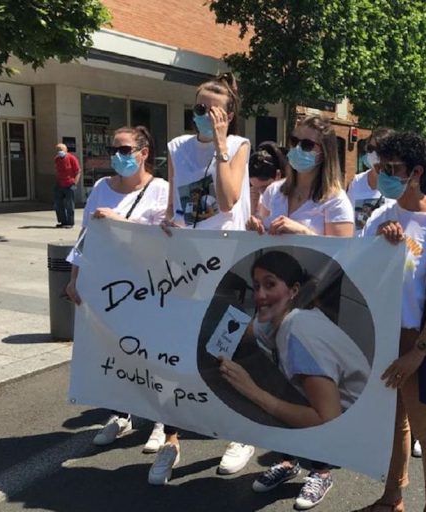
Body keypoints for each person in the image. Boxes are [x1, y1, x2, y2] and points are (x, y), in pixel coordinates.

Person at [356, 131, 426, 512]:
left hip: (419, 338)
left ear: (416, 172)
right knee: (393, 424)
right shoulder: (380, 216)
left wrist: (416, 353)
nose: (384, 175)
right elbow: (358, 272)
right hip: (383, 334)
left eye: (393, 169)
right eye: (380, 167)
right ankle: (392, 497)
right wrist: (378, 246)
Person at [246, 114, 354, 510]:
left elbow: (346, 255)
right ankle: (287, 457)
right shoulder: (275, 191)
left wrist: (304, 232)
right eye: (294, 141)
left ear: (324, 153)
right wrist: (254, 228)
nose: (297, 149)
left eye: (307, 144)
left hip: (317, 306)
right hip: (276, 306)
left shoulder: (335, 200)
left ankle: (321, 469)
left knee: (314, 387)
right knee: (279, 381)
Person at [158, 72, 254, 486]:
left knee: (224, 351)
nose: (202, 116)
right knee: (177, 350)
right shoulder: (177, 146)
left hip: (229, 263)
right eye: (198, 109)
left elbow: (230, 197)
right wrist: (167, 219)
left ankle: (239, 434)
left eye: (211, 111)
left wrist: (218, 144)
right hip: (186, 262)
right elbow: (174, 198)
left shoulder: (237, 145)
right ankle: (171, 436)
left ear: (228, 116)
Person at [64, 126, 169, 452]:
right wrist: (74, 276)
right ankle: (120, 411)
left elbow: (166, 239)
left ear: (143, 153)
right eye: (115, 150)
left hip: (148, 286)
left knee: (153, 353)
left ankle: (161, 420)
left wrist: (121, 222)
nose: (118, 156)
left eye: (125, 150)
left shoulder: (161, 190)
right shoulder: (100, 187)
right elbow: (86, 235)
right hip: (108, 285)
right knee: (115, 351)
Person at [219, 251, 370, 426]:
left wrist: (251, 390)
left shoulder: (300, 331)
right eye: (256, 286)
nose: (259, 295)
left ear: (294, 290)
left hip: (355, 431)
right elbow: (243, 330)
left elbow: (328, 419)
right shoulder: (283, 317)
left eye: (270, 284)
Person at [347, 128, 394, 235]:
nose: (373, 153)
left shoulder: (397, 184)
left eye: (379, 150)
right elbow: (348, 219)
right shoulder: (357, 182)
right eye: (370, 148)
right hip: (357, 249)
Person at [249, 141, 287, 215]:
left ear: (278, 175)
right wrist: (252, 208)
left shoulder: (289, 198)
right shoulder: (251, 197)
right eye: (255, 187)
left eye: (264, 187)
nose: (261, 192)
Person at [53, 143, 81, 228]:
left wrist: (75, 183)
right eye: (58, 150)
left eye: (61, 150)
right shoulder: (57, 159)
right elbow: (57, 171)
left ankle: (70, 222)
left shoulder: (72, 158)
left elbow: (78, 171)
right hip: (59, 184)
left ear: (66, 150)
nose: (60, 151)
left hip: (69, 184)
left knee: (69, 204)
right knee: (58, 204)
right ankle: (62, 221)